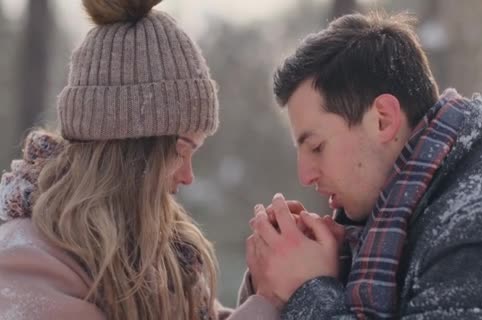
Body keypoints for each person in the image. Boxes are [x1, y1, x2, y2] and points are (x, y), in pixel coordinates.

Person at [246, 12, 482, 319]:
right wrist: (310, 272)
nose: (305, 175)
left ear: (383, 119)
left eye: (317, 146)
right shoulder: (407, 224)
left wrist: (307, 291)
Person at [0, 0, 278, 319]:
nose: (188, 176)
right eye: (182, 150)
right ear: (133, 149)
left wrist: (267, 281)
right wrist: (268, 300)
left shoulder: (156, 250)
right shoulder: (28, 266)